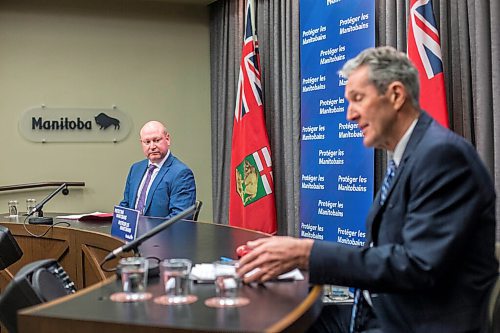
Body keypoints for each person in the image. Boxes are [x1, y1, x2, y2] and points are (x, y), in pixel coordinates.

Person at [237, 46, 498, 333]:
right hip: (380, 311)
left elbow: (417, 266)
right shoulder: (410, 154)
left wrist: (307, 254)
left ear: (396, 95)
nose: (349, 115)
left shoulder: (443, 157)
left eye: (358, 99)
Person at [119, 120, 196, 219]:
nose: (152, 146)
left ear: (167, 139)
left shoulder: (181, 173)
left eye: (156, 140)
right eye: (147, 142)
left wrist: (146, 232)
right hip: (132, 233)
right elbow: (126, 205)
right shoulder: (135, 169)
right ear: (141, 143)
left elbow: (179, 219)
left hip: (162, 234)